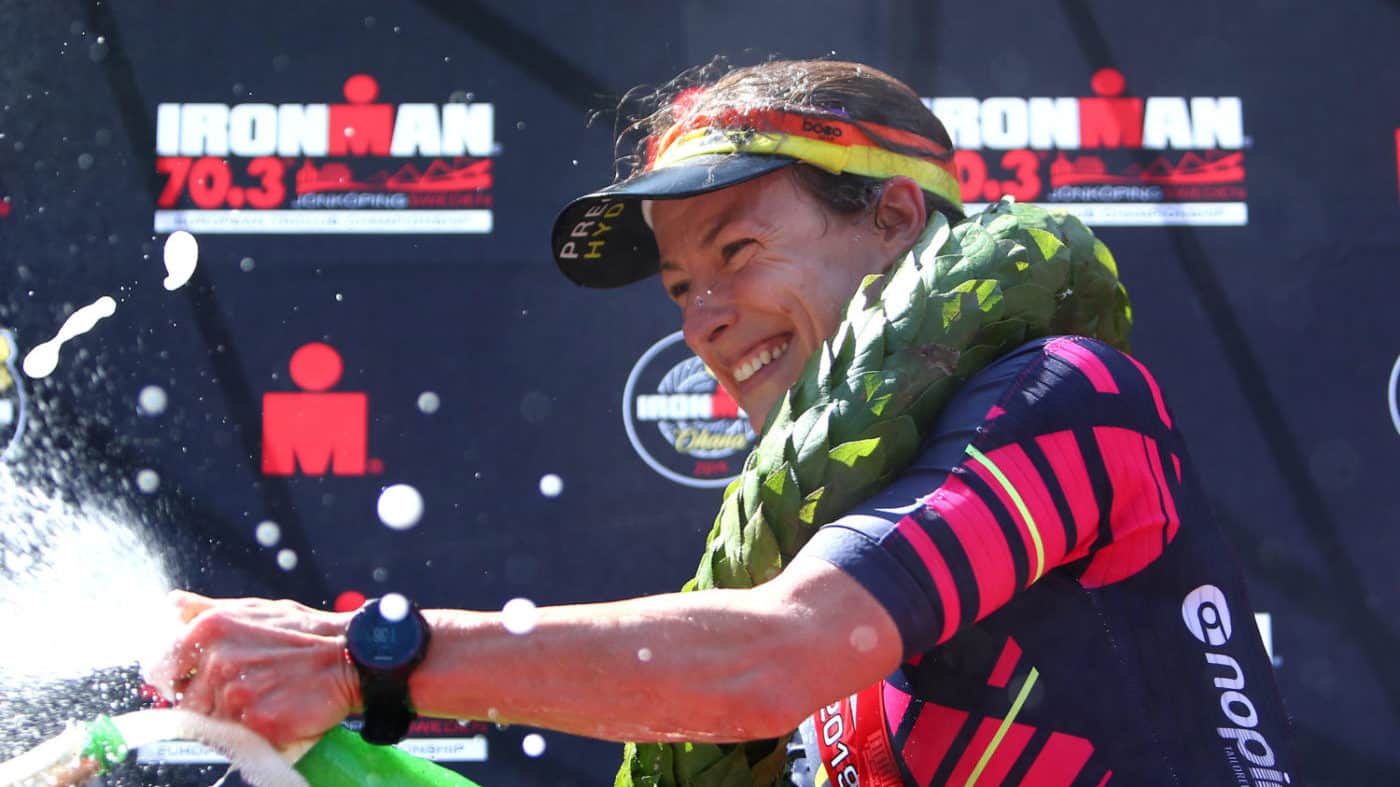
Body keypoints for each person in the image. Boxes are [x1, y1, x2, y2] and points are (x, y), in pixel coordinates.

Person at [155, 60, 1297, 785]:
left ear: (894, 216)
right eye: (677, 286)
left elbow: (771, 656)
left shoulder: (1064, 393)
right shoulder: (818, 515)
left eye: (736, 252)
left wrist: (370, 658)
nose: (702, 318)